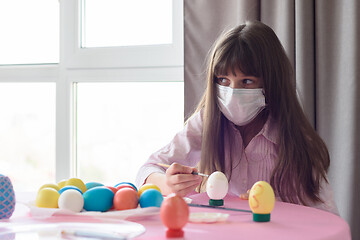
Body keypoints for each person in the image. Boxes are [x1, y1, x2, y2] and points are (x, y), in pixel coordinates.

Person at [135, 20, 338, 215]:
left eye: (247, 81)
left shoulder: (294, 140)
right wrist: (168, 184)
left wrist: (275, 206)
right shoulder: (207, 123)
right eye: (223, 80)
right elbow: (147, 169)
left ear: (271, 82)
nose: (233, 92)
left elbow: (326, 217)